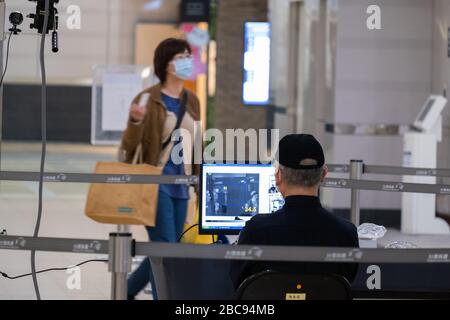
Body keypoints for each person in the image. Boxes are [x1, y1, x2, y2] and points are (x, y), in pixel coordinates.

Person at [121, 38, 200, 300]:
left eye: (188, 56)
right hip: (155, 184)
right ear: (166, 65)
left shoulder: (193, 100)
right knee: (166, 250)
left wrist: (198, 182)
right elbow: (129, 147)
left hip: (182, 186)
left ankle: (127, 290)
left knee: (169, 248)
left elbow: (196, 143)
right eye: (180, 58)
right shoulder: (148, 98)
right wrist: (135, 121)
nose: (187, 61)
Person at [230, 134, 359, 289]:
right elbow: (345, 282)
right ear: (323, 175)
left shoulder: (256, 231)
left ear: (278, 176)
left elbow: (240, 282)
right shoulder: (346, 233)